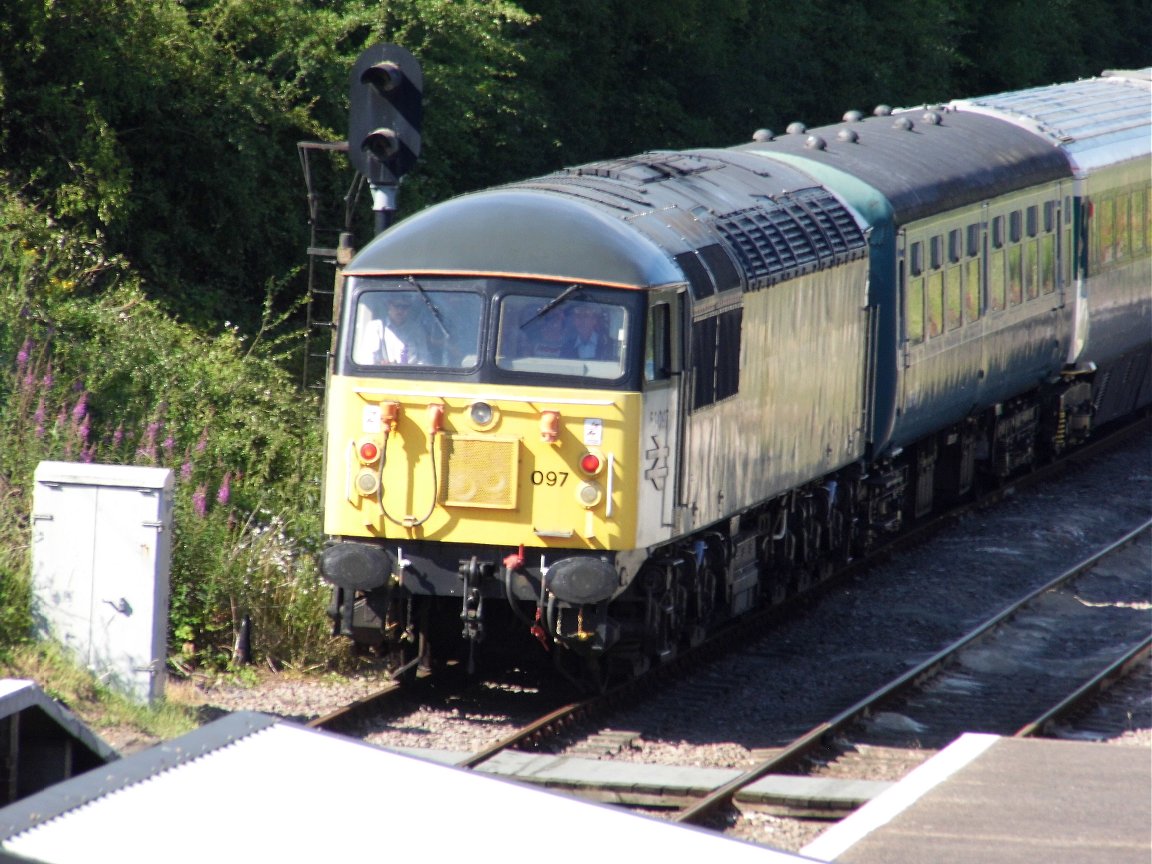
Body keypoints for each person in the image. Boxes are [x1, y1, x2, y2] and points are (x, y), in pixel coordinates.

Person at [355, 294, 428, 365]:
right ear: (389, 306)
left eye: (405, 307)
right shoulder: (375, 327)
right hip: (384, 374)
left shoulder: (416, 329)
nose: (400, 310)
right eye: (397, 306)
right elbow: (367, 359)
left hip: (411, 374)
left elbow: (425, 359)